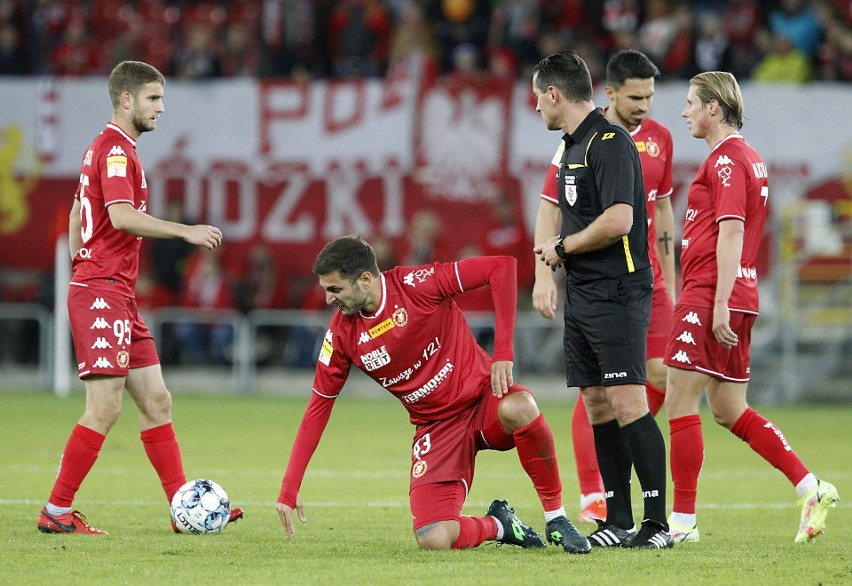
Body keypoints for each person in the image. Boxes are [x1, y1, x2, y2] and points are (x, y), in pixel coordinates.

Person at [275, 235, 591, 554]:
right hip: (437, 427)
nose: (329, 299)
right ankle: (500, 525)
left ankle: (556, 518)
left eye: (335, 289)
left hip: (484, 400)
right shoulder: (342, 335)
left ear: (365, 279)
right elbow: (319, 407)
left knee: (521, 407)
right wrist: (290, 487)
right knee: (432, 539)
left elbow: (501, 267)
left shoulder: (416, 284)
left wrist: (503, 352)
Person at [37, 60, 243, 535]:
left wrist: (82, 264)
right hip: (103, 292)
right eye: (154, 99)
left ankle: (182, 509)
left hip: (113, 292)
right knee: (104, 407)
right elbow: (123, 216)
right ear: (126, 99)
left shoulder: (113, 149)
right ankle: (57, 510)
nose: (162, 108)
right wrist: (184, 231)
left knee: (157, 401)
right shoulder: (114, 150)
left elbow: (75, 212)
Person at [664, 71, 839, 544]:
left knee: (679, 399)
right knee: (727, 407)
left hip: (711, 294)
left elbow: (733, 230)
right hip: (740, 294)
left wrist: (716, 301)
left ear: (713, 109)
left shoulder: (725, 161)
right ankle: (811, 487)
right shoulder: (751, 158)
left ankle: (681, 524)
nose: (684, 112)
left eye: (690, 103)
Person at [531, 50, 672, 549]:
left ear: (554, 94)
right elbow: (555, 212)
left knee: (629, 400)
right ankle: (617, 518)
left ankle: (656, 524)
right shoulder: (571, 146)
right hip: (585, 292)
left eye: (538, 98)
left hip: (618, 289)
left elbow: (620, 221)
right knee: (595, 402)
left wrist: (563, 248)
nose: (537, 108)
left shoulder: (609, 142)